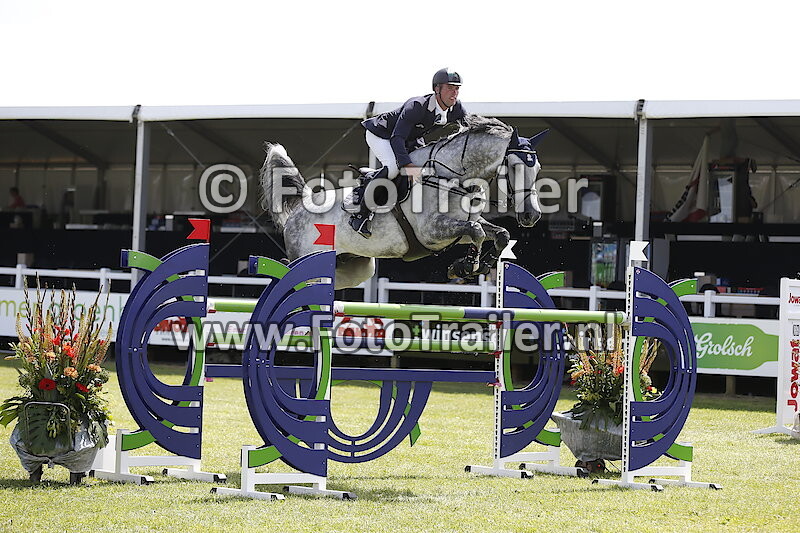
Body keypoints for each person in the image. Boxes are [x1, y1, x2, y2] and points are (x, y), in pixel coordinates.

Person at [347, 68, 467, 238]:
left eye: (457, 88)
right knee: (394, 168)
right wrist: (407, 165)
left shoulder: (456, 108)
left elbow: (471, 128)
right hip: (382, 134)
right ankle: (361, 215)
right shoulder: (417, 106)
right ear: (437, 89)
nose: (454, 93)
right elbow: (397, 138)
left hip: (410, 138)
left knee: (427, 165)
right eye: (449, 88)